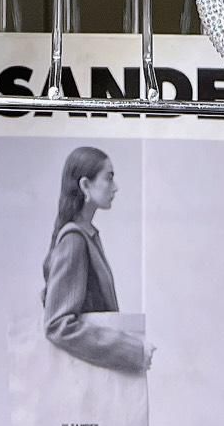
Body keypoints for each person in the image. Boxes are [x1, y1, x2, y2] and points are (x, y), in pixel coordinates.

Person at [41, 146, 155, 373]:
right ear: (85, 185)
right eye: (109, 178)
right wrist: (131, 350)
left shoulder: (87, 236)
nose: (116, 187)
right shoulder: (74, 240)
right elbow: (57, 325)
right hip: (87, 377)